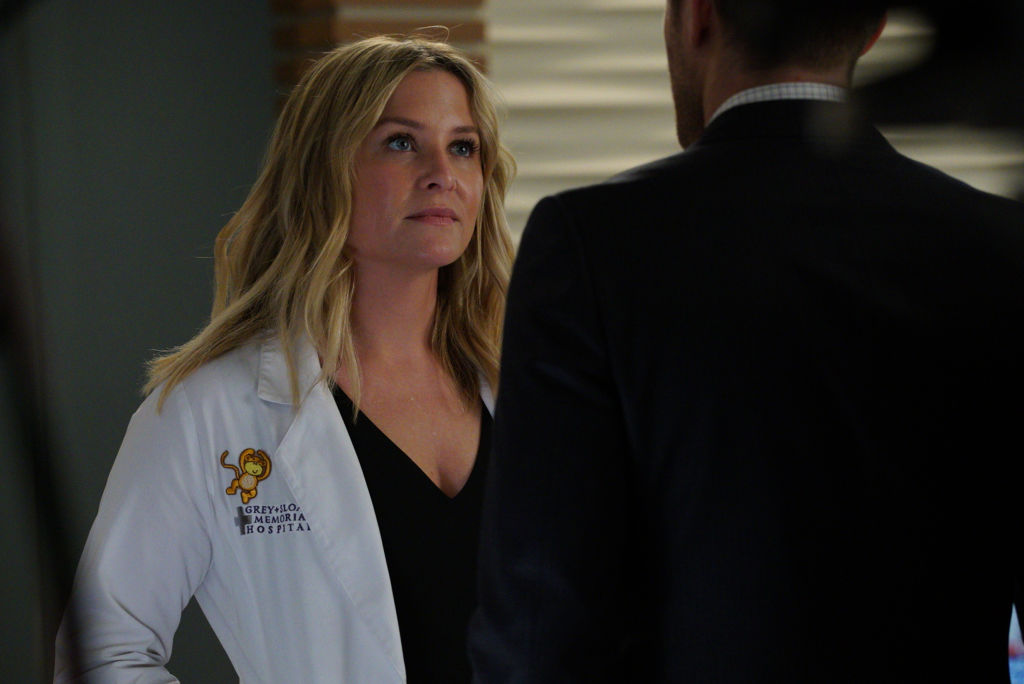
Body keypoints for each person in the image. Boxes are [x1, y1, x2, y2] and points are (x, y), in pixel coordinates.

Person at [469, 1, 1024, 682]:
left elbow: (538, 628)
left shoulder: (591, 244)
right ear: (874, 28)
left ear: (697, 16)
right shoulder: (999, 246)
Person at [54, 35, 515, 683]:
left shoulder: (533, 388)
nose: (442, 172)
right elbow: (101, 655)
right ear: (324, 169)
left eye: (463, 147)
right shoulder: (211, 410)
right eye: (400, 142)